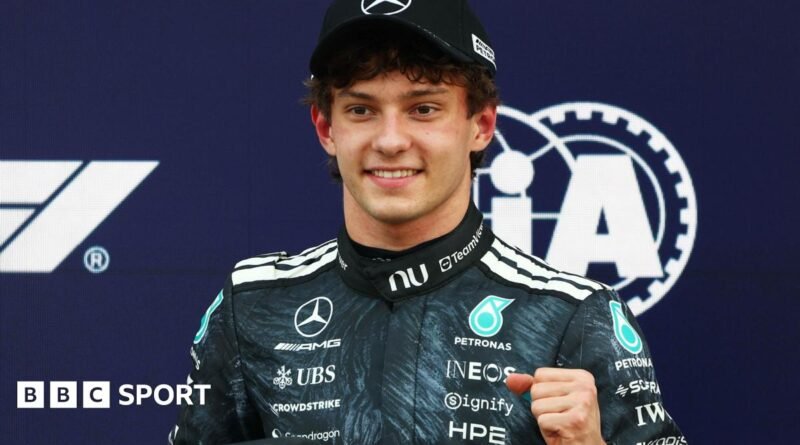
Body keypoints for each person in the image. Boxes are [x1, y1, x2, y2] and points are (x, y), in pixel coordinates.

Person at [170, 0, 684, 444]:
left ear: (481, 125)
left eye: (423, 109)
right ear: (326, 128)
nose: (391, 141)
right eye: (361, 110)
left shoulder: (574, 316)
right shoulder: (253, 304)